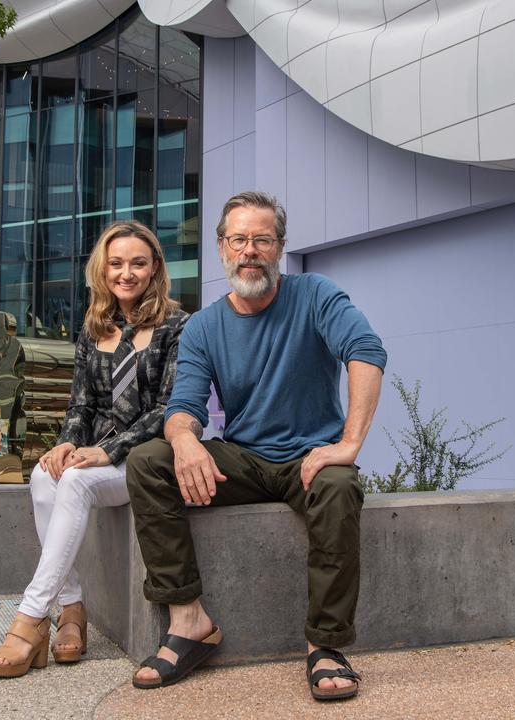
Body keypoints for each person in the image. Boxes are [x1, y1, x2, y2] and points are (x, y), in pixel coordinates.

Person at [125, 192, 386, 701]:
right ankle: (189, 621)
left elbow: (366, 351)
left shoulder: (315, 294)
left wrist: (349, 443)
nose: (250, 250)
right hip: (243, 458)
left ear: (280, 248)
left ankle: (325, 646)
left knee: (339, 485)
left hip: (309, 457)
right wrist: (184, 442)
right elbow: (185, 405)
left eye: (262, 240)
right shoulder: (203, 326)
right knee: (148, 460)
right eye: (239, 239)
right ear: (222, 247)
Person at [0, 220, 189, 679]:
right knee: (43, 475)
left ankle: (31, 618)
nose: (126, 273)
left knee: (73, 480)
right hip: (95, 456)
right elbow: (81, 402)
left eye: (138, 262)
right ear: (103, 269)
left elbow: (170, 407)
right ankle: (73, 611)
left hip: (146, 461)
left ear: (155, 266)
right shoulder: (95, 326)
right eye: (116, 264)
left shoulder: (177, 325)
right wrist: (68, 443)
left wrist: (108, 450)